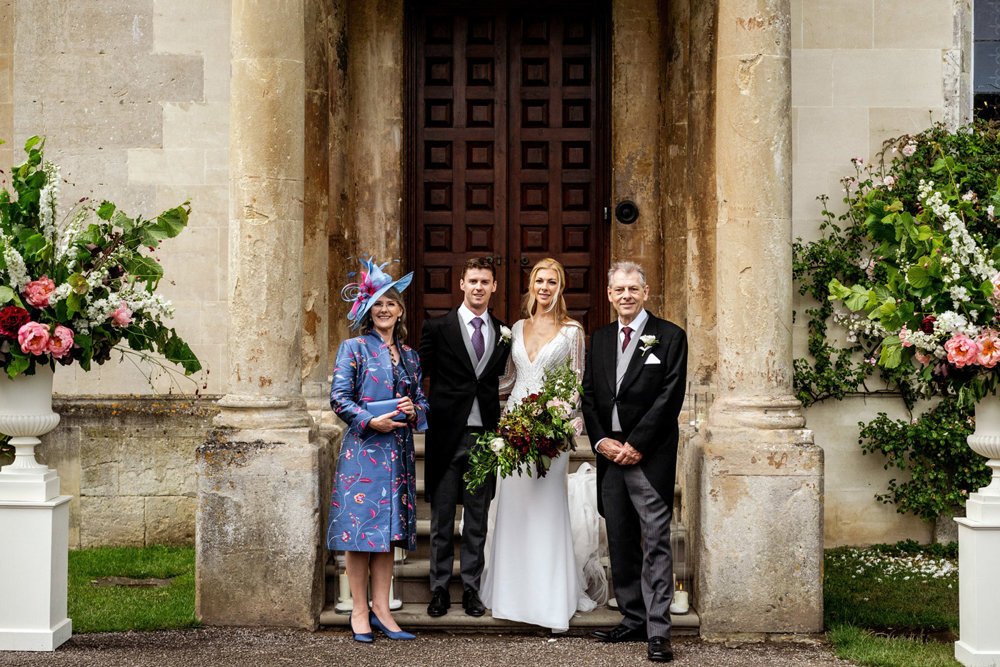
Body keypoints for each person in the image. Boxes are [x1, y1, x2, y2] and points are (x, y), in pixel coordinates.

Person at [480, 257, 600, 632]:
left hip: (551, 431)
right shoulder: (515, 328)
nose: (544, 288)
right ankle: (512, 596)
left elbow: (578, 383)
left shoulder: (572, 332)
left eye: (552, 282)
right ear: (530, 286)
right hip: (515, 427)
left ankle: (549, 600)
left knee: (546, 510)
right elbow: (510, 380)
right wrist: (474, 395)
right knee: (513, 509)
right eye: (539, 281)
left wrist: (562, 420)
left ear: (560, 287)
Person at [581, 261, 687, 663]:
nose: (625, 295)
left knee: (655, 541)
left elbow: (670, 396)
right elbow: (589, 394)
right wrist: (602, 441)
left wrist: (637, 443)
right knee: (621, 538)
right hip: (610, 453)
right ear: (609, 296)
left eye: (633, 289)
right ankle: (632, 617)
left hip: (649, 454)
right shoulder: (602, 337)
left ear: (645, 293)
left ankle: (658, 631)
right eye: (618, 290)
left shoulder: (671, 336)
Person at [326, 257, 428, 642]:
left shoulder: (412, 356)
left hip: (398, 453)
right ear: (368, 310)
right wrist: (371, 420)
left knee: (387, 534)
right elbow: (339, 400)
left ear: (400, 310)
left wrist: (413, 409)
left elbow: (421, 402)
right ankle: (358, 611)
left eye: (391, 303)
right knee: (359, 532)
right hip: (363, 452)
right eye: (378, 304)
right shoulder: (353, 349)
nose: (385, 309)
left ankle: (383, 609)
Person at [419, 257, 511, 617]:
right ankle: (439, 589)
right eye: (472, 280)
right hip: (446, 436)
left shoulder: (503, 332)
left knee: (476, 519)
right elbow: (418, 375)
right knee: (442, 519)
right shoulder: (437, 328)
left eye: (485, 281)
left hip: (486, 438)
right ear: (461, 284)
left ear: (494, 287)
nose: (478, 287)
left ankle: (471, 589)